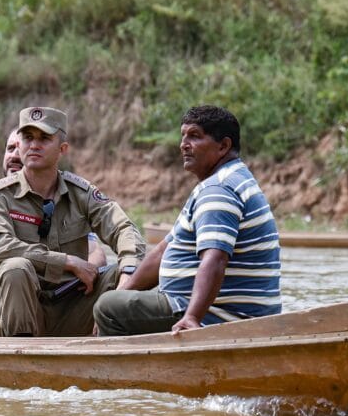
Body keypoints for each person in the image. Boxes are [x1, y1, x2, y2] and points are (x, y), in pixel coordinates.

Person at [93, 105, 282, 336]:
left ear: (223, 146)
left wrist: (192, 317)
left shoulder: (219, 190)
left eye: (194, 136)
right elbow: (163, 251)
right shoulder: (224, 181)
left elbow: (215, 259)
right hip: (208, 307)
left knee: (108, 308)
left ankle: (120, 369)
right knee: (116, 298)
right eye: (183, 136)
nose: (183, 144)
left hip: (225, 315)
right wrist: (124, 291)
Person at [0, 107, 145, 337]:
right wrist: (67, 262)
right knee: (15, 267)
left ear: (62, 149)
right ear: (19, 146)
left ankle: (109, 355)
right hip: (15, 308)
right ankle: (20, 360)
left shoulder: (81, 193)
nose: (34, 145)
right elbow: (0, 248)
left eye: (44, 138)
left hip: (71, 304)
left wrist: (127, 277)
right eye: (28, 138)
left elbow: (123, 228)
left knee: (125, 274)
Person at [0, 130, 107, 267]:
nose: (15, 155)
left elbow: (95, 253)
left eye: (21, 148)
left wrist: (81, 274)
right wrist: (63, 262)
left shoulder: (69, 202)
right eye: (10, 148)